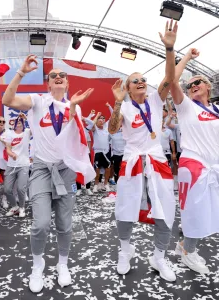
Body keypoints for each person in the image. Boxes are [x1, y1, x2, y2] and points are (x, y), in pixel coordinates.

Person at [2, 55, 95, 293]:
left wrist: (73, 107)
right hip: (42, 169)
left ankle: (62, 264)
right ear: (48, 84)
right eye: (53, 75)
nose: (58, 77)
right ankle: (37, 264)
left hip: (65, 171)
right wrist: (21, 73)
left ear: (67, 83)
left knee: (64, 224)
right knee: (41, 224)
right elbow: (7, 99)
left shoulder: (75, 105)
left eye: (62, 75)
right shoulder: (37, 101)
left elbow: (75, 135)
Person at [108, 21, 178, 281]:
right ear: (127, 88)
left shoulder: (156, 101)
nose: (141, 82)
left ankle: (158, 257)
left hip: (157, 162)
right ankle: (125, 250)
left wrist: (169, 49)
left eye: (143, 79)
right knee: (125, 209)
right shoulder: (124, 107)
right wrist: (116, 104)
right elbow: (114, 129)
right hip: (132, 162)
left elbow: (170, 79)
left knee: (165, 210)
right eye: (134, 80)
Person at [170, 48, 217, 274]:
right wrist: (184, 56)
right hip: (195, 166)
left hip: (214, 167)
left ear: (209, 87)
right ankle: (189, 252)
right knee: (195, 212)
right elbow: (171, 80)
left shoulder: (217, 110)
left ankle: (183, 246)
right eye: (190, 85)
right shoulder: (186, 106)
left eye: (198, 81)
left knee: (209, 211)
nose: (194, 85)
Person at [2, 113, 31, 218]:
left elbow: (36, 128)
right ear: (13, 124)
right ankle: (15, 207)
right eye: (16, 121)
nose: (18, 122)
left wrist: (26, 118)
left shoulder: (27, 133)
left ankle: (22, 207)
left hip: (23, 164)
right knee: (7, 189)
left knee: (20, 188)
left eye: (20, 121)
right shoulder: (9, 133)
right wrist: (11, 154)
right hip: (11, 165)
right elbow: (8, 148)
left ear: (23, 124)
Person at [91, 112, 112, 193]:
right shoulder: (95, 128)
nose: (102, 120)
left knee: (108, 168)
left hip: (106, 152)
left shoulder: (107, 128)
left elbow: (112, 117)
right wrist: (97, 116)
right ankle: (96, 185)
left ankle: (106, 184)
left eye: (103, 119)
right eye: (100, 118)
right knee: (97, 169)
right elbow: (92, 124)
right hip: (98, 152)